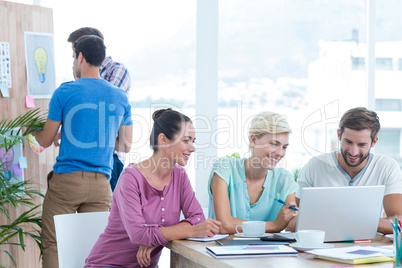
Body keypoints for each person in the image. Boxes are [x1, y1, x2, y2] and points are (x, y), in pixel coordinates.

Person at [34, 35, 133, 268]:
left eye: (72, 57)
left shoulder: (65, 91)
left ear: (81, 57)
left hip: (66, 183)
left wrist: (31, 133)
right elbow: (125, 145)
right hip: (101, 185)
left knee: (54, 245)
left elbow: (46, 140)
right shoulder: (120, 96)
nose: (72, 64)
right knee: (94, 250)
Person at [85, 108, 221, 268]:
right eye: (186, 140)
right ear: (163, 139)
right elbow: (138, 234)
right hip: (108, 264)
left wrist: (153, 238)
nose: (193, 148)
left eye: (193, 140)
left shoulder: (179, 176)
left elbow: (198, 218)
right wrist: (191, 231)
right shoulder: (130, 178)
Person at [294, 107, 402, 234]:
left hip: (369, 246)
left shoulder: (387, 167)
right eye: (348, 142)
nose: (353, 152)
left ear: (374, 142)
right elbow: (295, 220)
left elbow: (398, 221)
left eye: (361, 145)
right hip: (323, 246)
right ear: (339, 135)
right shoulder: (314, 166)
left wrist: (359, 220)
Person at [208, 111, 298, 234]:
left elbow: (292, 224)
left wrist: (298, 215)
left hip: (266, 252)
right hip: (221, 250)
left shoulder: (284, 180)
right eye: (274, 144)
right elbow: (224, 225)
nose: (280, 153)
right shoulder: (225, 168)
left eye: (284, 147)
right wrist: (274, 225)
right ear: (254, 140)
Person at [64, 26, 131, 191]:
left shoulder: (117, 70)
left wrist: (79, 79)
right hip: (82, 160)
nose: (74, 57)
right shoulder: (83, 75)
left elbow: (101, 110)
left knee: (106, 215)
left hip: (109, 158)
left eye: (75, 51)